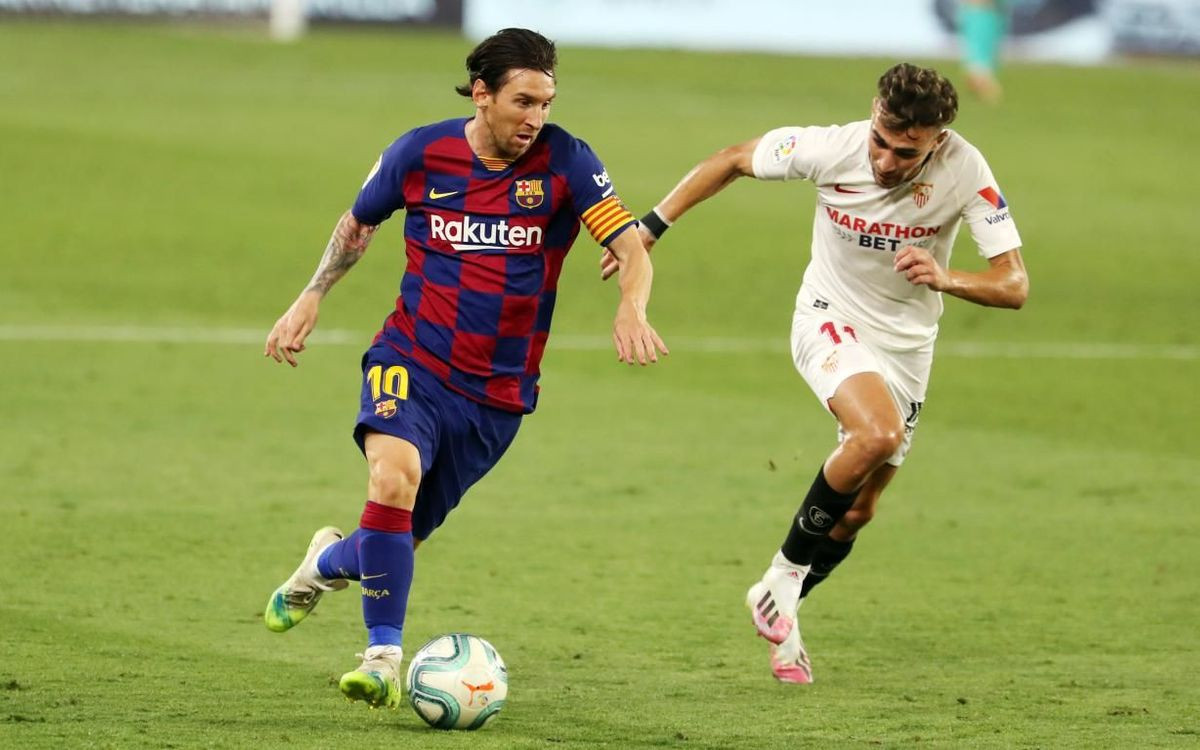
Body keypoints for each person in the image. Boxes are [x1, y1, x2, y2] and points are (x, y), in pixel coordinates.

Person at [262, 27, 668, 709]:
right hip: (410, 358)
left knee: (391, 540)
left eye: (546, 102)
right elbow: (358, 225)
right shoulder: (421, 153)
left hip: (497, 396)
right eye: (523, 101)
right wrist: (311, 294)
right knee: (393, 479)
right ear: (482, 94)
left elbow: (632, 246)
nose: (536, 118)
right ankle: (383, 660)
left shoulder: (568, 161)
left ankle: (323, 564)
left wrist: (632, 307)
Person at [602, 62, 1027, 683]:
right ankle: (781, 578)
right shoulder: (832, 146)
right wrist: (652, 226)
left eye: (903, 151)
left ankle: (786, 608)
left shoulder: (967, 170)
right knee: (875, 434)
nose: (883, 158)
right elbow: (732, 159)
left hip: (907, 345)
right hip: (828, 318)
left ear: (936, 140)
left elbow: (1013, 285)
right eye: (880, 138)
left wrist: (946, 277)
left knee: (858, 510)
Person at [959, 0, 1007, 103]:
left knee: (984, 43)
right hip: (979, 12)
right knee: (980, 43)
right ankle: (981, 78)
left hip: (984, 12)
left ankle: (979, 77)